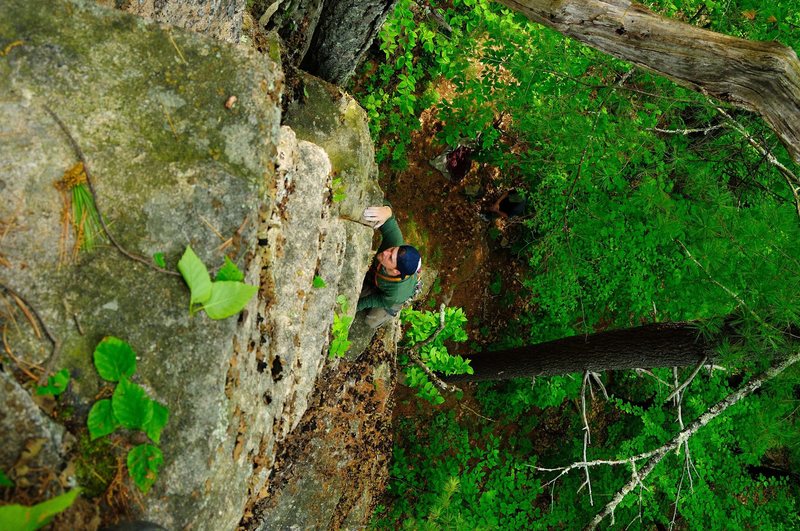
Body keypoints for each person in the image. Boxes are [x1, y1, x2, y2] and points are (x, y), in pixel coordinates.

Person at [357, 205, 421, 328]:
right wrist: (387, 210)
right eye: (392, 250)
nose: (386, 252)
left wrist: (355, 306)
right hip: (379, 279)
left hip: (390, 299)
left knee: (371, 322)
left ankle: (390, 313)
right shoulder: (395, 241)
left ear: (396, 271)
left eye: (390, 258)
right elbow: (387, 216)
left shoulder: (396, 293)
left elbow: (376, 300)